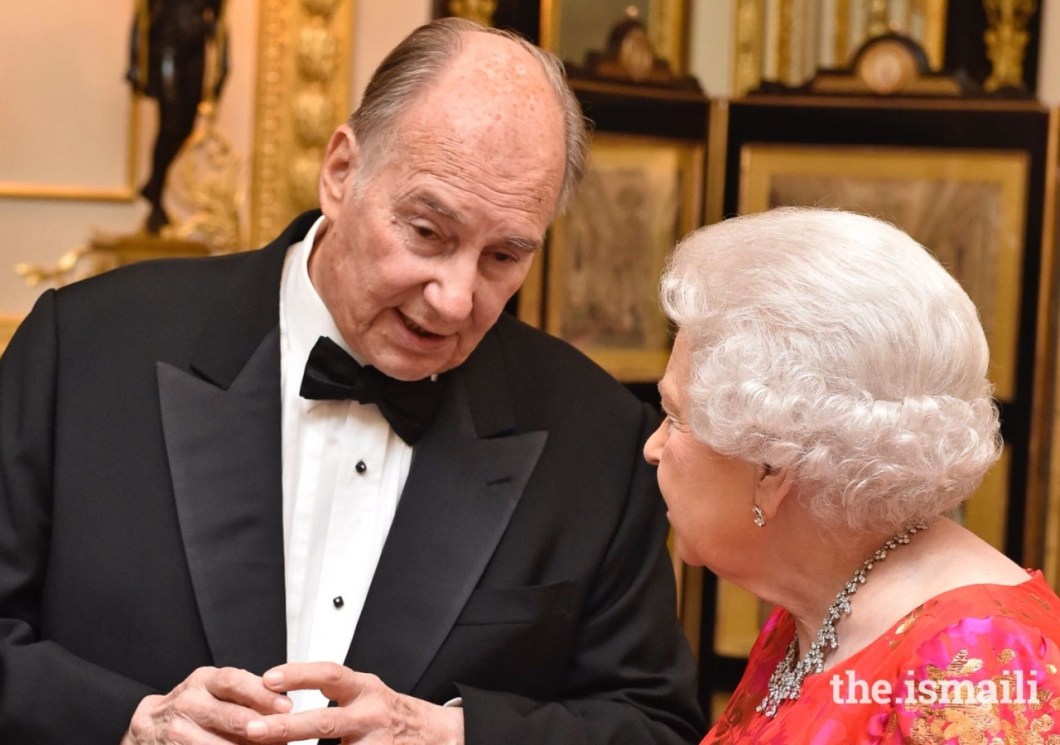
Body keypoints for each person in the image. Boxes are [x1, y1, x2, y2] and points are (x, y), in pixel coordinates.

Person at [0, 18, 702, 745]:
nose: (456, 298)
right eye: (427, 232)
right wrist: (127, 722)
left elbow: (654, 726)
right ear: (341, 171)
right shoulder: (84, 350)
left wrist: (459, 736)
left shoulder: (596, 436)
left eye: (503, 256)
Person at [644, 206, 1060, 742]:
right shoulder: (820, 609)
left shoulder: (973, 662)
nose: (655, 447)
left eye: (676, 417)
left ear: (771, 464)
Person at [126, 0, 229, 234]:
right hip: (166, 47)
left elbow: (220, 25)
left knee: (186, 127)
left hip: (195, 51)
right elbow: (141, 15)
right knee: (170, 123)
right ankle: (156, 197)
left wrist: (223, 67)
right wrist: (134, 61)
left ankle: (154, 184)